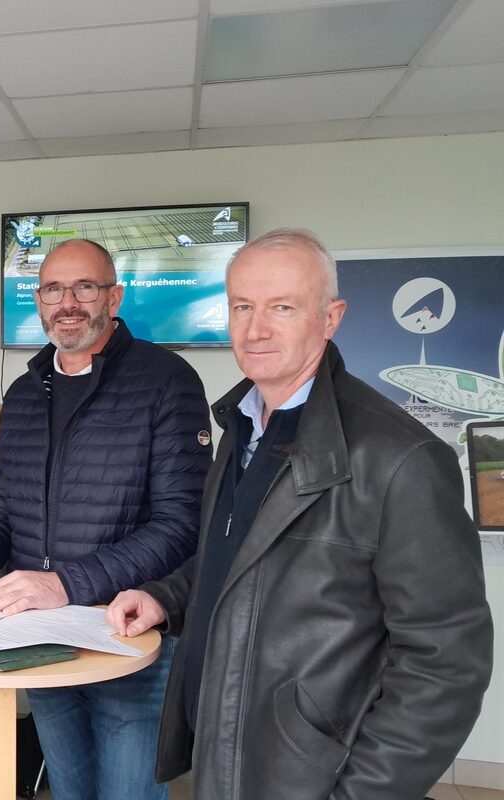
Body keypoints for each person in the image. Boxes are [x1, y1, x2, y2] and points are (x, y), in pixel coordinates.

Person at [107, 228, 494, 800]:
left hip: (309, 778)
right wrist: (167, 597)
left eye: (282, 307)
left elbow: (446, 665)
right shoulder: (241, 427)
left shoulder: (401, 459)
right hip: (224, 752)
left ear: (330, 318)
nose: (256, 328)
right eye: (242, 306)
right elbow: (238, 560)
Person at [0, 239, 212, 799]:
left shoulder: (166, 380)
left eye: (84, 287)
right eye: (54, 288)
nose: (68, 302)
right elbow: (3, 503)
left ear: (114, 296)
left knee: (127, 792)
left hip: (126, 628)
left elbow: (182, 523)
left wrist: (65, 584)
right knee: (70, 787)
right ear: (38, 298)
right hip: (39, 633)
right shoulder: (26, 393)